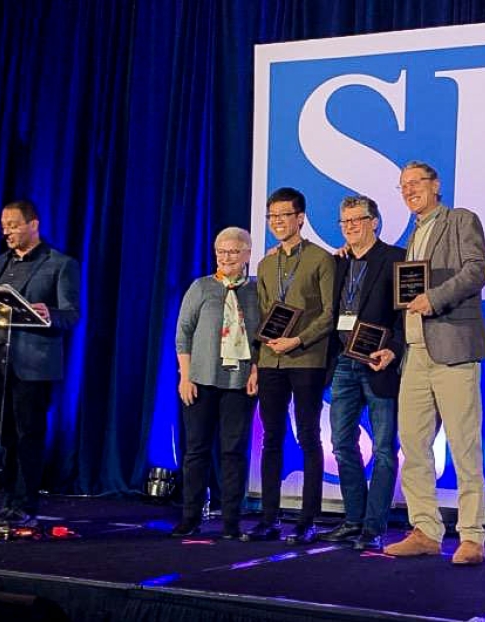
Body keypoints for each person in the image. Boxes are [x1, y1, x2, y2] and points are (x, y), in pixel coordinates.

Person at [378, 161, 485, 565]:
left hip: (452, 348)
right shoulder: (412, 236)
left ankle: (472, 536)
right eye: (403, 186)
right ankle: (425, 529)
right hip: (415, 353)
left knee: (463, 445)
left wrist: (436, 297)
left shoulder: (460, 220)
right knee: (413, 445)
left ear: (435, 185)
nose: (409, 191)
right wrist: (394, 345)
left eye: (416, 183)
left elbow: (478, 269)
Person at [245, 187, 335, 545]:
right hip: (271, 359)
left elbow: (329, 314)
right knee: (271, 439)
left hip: (307, 358)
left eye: (284, 216)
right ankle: (269, 518)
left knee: (309, 436)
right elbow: (266, 313)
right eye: (272, 217)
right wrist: (260, 355)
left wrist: (297, 340)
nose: (278, 223)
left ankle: (307, 520)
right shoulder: (267, 264)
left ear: (300, 218)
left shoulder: (320, 259)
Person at [0, 199, 80, 527]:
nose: (6, 231)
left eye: (13, 224)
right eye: (3, 225)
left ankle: (25, 504)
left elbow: (72, 315)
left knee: (28, 435)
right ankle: (8, 501)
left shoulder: (59, 264)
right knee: (4, 435)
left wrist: (48, 314)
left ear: (33, 224)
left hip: (34, 365)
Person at [318, 195, 404, 551]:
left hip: (378, 363)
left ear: (375, 221)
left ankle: (374, 526)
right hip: (343, 363)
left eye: (358, 219)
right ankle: (353, 520)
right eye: (345, 221)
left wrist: (394, 349)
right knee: (341, 444)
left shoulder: (396, 258)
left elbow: (405, 315)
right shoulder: (337, 263)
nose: (351, 226)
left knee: (384, 448)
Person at [172, 227, 260, 539]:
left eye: (234, 252)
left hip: (238, 383)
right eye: (221, 252)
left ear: (247, 254)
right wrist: (185, 375)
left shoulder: (256, 290)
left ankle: (232, 522)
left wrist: (255, 371)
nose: (227, 258)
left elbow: (262, 337)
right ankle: (190, 517)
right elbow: (183, 333)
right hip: (200, 381)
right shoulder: (201, 287)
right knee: (196, 451)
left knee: (233, 452)